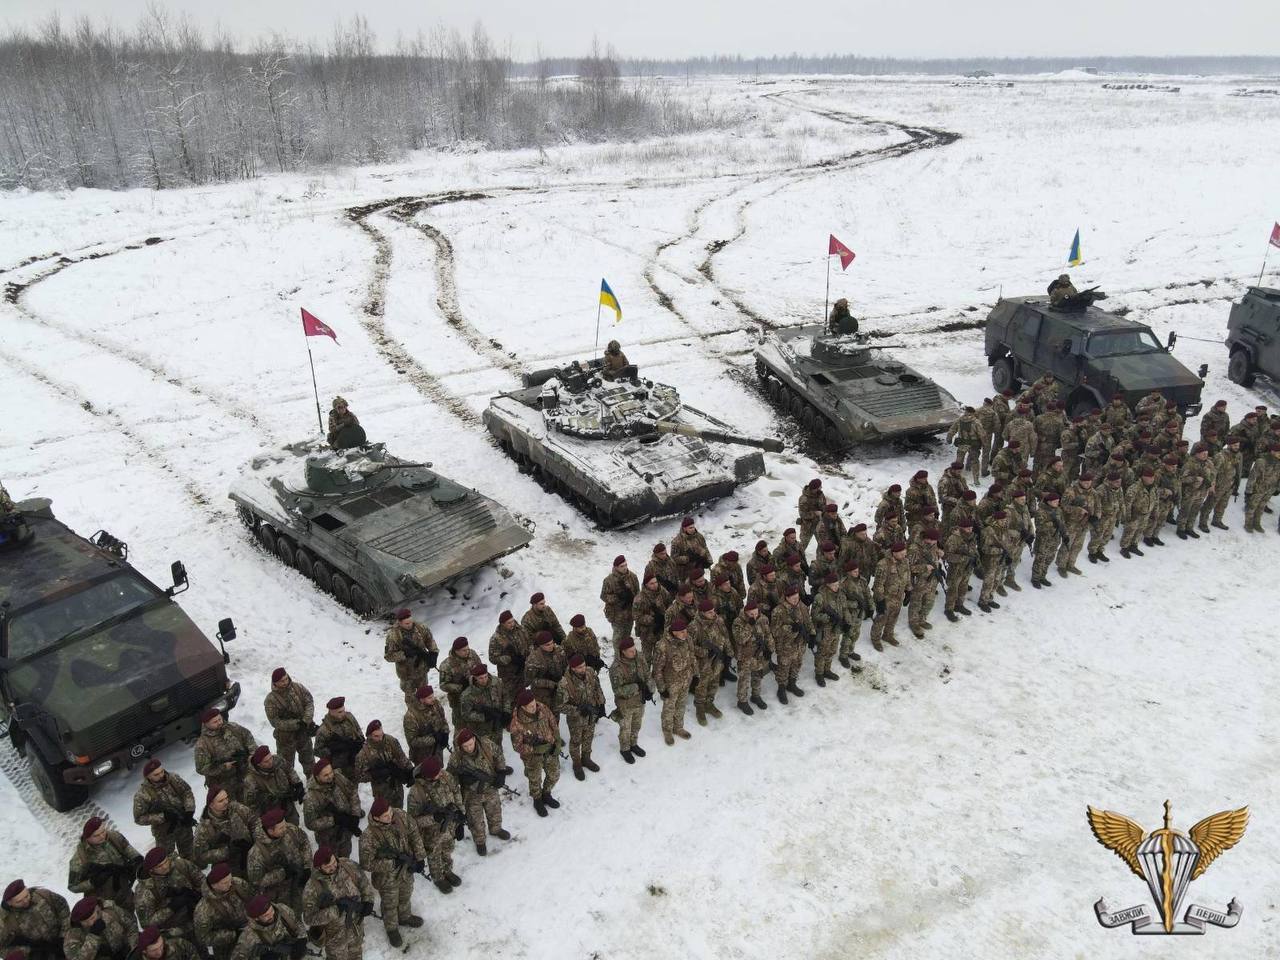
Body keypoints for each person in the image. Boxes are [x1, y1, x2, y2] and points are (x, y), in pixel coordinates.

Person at [357, 798, 425, 948]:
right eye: (385, 816)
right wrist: (391, 863)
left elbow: (414, 833)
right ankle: (392, 928)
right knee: (390, 903)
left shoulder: (399, 815)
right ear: (376, 818)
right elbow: (366, 864)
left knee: (406, 894)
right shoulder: (368, 837)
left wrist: (419, 857)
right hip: (387, 878)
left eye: (390, 812)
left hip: (406, 870)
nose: (390, 816)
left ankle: (405, 916)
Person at [301, 847, 375, 960]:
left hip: (356, 928)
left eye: (334, 862)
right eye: (328, 867)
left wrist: (368, 900)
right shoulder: (312, 888)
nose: (333, 867)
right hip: (335, 938)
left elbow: (363, 882)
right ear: (319, 867)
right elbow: (309, 918)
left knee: (356, 955)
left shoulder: (347, 865)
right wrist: (335, 910)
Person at [446, 730, 509, 856]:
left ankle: (496, 829)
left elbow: (499, 755)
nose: (469, 748)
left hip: (490, 787)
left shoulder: (486, 744)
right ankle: (480, 841)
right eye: (465, 746)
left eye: (470, 744)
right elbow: (450, 777)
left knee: (495, 810)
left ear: (474, 739)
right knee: (475, 819)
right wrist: (462, 779)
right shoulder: (456, 756)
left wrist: (501, 773)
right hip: (471, 793)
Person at [405, 758, 465, 894]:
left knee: (448, 849)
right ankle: (438, 877)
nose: (440, 775)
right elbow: (413, 822)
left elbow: (456, 793)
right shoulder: (416, 793)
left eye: (439, 772)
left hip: (450, 825)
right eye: (436, 775)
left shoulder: (445, 776)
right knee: (434, 854)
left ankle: (448, 871)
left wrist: (461, 815)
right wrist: (433, 818)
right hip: (431, 832)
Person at [67, 818, 141, 914]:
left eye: (103, 831)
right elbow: (73, 887)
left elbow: (132, 854)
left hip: (124, 890)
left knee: (130, 916)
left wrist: (136, 863)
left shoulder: (114, 837)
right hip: (103, 903)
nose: (102, 836)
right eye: (96, 835)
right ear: (87, 838)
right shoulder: (79, 860)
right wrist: (92, 882)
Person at [508, 691, 562, 817]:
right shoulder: (516, 723)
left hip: (549, 749)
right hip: (532, 756)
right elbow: (517, 746)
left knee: (554, 774)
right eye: (530, 706)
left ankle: (546, 794)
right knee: (535, 779)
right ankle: (537, 800)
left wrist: (557, 742)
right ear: (522, 707)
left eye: (534, 703)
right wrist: (535, 749)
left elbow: (553, 724)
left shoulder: (542, 708)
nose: (534, 707)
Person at [135, 848, 203, 944]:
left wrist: (197, 893)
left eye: (166, 862)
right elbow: (146, 924)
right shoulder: (144, 892)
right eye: (159, 866)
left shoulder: (181, 865)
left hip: (196, 919)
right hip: (174, 933)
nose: (165, 867)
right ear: (151, 870)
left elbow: (202, 882)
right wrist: (171, 907)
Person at [133, 759, 196, 859]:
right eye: (156, 774)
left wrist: (189, 811)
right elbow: (139, 818)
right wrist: (163, 817)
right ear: (148, 776)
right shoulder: (142, 795)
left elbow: (186, 792)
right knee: (167, 858)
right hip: (164, 832)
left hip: (183, 822)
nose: (161, 775)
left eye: (162, 771)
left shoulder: (174, 779)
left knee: (189, 851)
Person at [302, 759, 363, 861]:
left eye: (331, 772)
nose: (330, 776)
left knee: (345, 855)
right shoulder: (311, 798)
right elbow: (310, 823)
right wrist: (333, 820)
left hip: (346, 829)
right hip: (328, 839)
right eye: (325, 775)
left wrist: (355, 814)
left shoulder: (338, 778)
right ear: (317, 777)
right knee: (330, 862)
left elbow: (352, 791)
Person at [194, 710, 257, 805]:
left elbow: (248, 737)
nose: (220, 722)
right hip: (224, 784)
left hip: (245, 773)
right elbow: (201, 768)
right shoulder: (203, 744)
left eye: (220, 719)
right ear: (206, 724)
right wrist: (223, 767)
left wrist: (252, 754)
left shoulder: (233, 728)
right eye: (215, 722)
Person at [193, 788, 257, 877]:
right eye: (221, 801)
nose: (226, 802)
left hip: (252, 851)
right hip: (229, 865)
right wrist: (227, 851)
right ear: (211, 805)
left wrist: (256, 841)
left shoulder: (236, 808)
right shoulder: (204, 829)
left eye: (226, 798)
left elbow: (255, 821)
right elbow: (201, 855)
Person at [650, 619, 696, 744]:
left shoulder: (688, 639)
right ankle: (667, 731)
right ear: (674, 632)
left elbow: (692, 656)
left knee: (681, 706)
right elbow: (657, 670)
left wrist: (694, 673)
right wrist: (662, 688)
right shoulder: (662, 646)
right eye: (681, 632)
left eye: (685, 631)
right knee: (669, 709)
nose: (685, 634)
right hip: (671, 684)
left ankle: (678, 727)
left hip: (686, 680)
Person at [263, 669, 316, 775]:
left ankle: (314, 784)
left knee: (309, 761)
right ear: (275, 683)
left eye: (286, 678)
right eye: (282, 681)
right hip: (286, 739)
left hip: (303, 733)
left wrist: (306, 721)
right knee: (286, 767)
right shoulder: (271, 700)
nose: (285, 682)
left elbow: (309, 701)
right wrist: (296, 724)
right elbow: (275, 721)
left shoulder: (298, 688)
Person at [193, 865, 251, 960]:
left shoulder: (238, 883)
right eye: (225, 883)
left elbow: (252, 898)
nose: (230, 884)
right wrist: (232, 935)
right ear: (214, 885)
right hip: (227, 946)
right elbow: (203, 939)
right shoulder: (203, 910)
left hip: (250, 931)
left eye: (230, 879)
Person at [0, 880, 69, 960]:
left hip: (62, 945)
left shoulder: (43, 895)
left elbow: (64, 911)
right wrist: (28, 951)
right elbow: (2, 948)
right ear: (9, 903)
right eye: (19, 901)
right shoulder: (4, 921)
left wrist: (63, 937)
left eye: (26, 896)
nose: (25, 901)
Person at [353, 721, 413, 810]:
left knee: (399, 810)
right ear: (369, 736)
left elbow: (402, 758)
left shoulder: (391, 741)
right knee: (384, 813)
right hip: (381, 791)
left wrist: (411, 772)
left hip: (397, 784)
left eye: (381, 734)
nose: (381, 738)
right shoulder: (364, 754)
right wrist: (375, 774)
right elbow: (359, 776)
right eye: (376, 736)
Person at [608, 637, 651, 759]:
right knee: (625, 728)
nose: (634, 652)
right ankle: (625, 748)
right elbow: (618, 690)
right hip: (626, 704)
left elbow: (647, 674)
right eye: (631, 651)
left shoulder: (639, 657)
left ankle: (633, 744)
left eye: (634, 649)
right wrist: (637, 687)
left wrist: (649, 689)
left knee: (636, 725)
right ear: (623, 652)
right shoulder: (616, 668)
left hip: (640, 701)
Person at [382, 610, 437, 703]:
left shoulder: (421, 628)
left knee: (425, 695)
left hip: (421, 670)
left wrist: (433, 654)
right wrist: (404, 654)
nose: (409, 625)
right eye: (406, 623)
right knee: (411, 699)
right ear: (399, 622)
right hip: (406, 673)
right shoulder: (393, 635)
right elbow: (388, 656)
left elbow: (430, 641)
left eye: (411, 622)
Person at [229, 896, 305, 960]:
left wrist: (302, 939)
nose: (271, 915)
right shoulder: (249, 935)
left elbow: (297, 924)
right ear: (256, 918)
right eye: (266, 915)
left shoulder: (282, 910)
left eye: (271, 911)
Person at [244, 747, 305, 825]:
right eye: (266, 761)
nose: (270, 762)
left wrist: (297, 784)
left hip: (287, 802)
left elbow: (289, 769)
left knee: (294, 825)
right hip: (270, 812)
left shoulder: (277, 760)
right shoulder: (251, 780)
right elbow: (251, 804)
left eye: (270, 758)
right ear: (259, 764)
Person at [769, 585, 810, 702]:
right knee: (784, 668)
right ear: (786, 598)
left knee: (797, 664)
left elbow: (808, 621)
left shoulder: (802, 606)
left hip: (800, 644)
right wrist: (790, 627)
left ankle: (792, 684)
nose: (796, 600)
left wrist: (811, 633)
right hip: (785, 646)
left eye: (797, 597)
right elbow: (775, 631)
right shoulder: (778, 611)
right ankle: (781, 689)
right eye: (793, 598)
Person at [869, 543, 910, 650]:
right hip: (886, 598)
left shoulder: (905, 561)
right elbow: (878, 584)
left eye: (904, 554)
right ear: (894, 553)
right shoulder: (883, 564)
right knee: (881, 619)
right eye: (901, 554)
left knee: (894, 617)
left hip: (899, 596)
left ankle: (888, 635)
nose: (904, 556)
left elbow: (907, 575)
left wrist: (908, 590)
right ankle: (875, 638)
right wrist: (880, 601)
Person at [64, 899, 134, 960]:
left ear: (98, 909)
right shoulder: (72, 936)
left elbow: (131, 927)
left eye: (92, 918)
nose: (91, 923)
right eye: (86, 922)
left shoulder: (110, 911)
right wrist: (93, 936)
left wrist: (133, 951)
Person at [314, 699, 364, 782]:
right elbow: (317, 751)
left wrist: (358, 742)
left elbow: (358, 731)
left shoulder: (349, 718)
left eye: (344, 710)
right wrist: (333, 749)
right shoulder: (323, 730)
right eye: (340, 712)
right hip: (338, 769)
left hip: (353, 761)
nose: (344, 713)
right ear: (331, 712)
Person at [402, 686, 449, 767]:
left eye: (433, 696)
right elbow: (413, 741)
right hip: (422, 755)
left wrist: (445, 733)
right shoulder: (411, 716)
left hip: (437, 749)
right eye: (429, 698)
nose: (433, 699)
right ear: (421, 699)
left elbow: (443, 719)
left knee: (439, 771)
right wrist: (433, 739)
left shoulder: (436, 704)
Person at [599, 555, 639, 648]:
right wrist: (618, 597)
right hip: (617, 615)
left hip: (629, 613)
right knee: (618, 639)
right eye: (622, 566)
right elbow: (603, 596)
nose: (625, 568)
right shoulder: (609, 580)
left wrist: (633, 599)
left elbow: (638, 593)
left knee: (627, 636)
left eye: (625, 565)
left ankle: (625, 656)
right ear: (616, 567)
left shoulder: (633, 577)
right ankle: (618, 658)